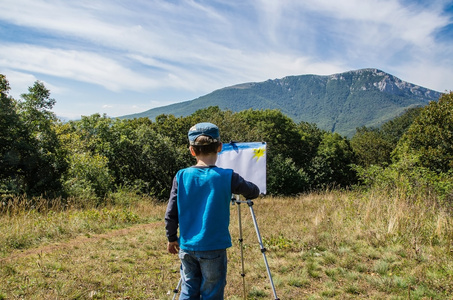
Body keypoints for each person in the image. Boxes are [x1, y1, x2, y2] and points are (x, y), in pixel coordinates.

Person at [165, 122, 260, 299]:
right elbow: (253, 191)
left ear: (192, 150)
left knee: (188, 287)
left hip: (186, 246)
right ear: (220, 148)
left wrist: (171, 238)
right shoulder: (228, 176)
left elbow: (171, 212)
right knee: (212, 292)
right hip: (213, 247)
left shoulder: (181, 175)